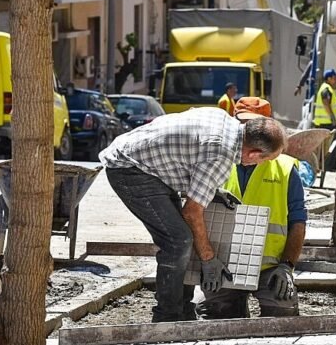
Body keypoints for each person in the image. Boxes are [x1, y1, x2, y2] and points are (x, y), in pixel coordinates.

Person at [99, 107, 287, 322]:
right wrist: (209, 259)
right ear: (253, 153)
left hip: (147, 162)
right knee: (178, 241)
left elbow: (191, 154)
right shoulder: (222, 155)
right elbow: (192, 212)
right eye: (265, 159)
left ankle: (184, 310)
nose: (261, 164)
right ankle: (167, 318)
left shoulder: (223, 119)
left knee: (183, 237)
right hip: (129, 169)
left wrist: (212, 190)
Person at [200, 97, 307, 318]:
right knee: (216, 316)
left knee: (283, 313)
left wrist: (287, 266)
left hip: (269, 269)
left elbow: (298, 222)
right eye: (244, 124)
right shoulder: (217, 161)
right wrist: (207, 261)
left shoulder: (285, 169)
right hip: (223, 267)